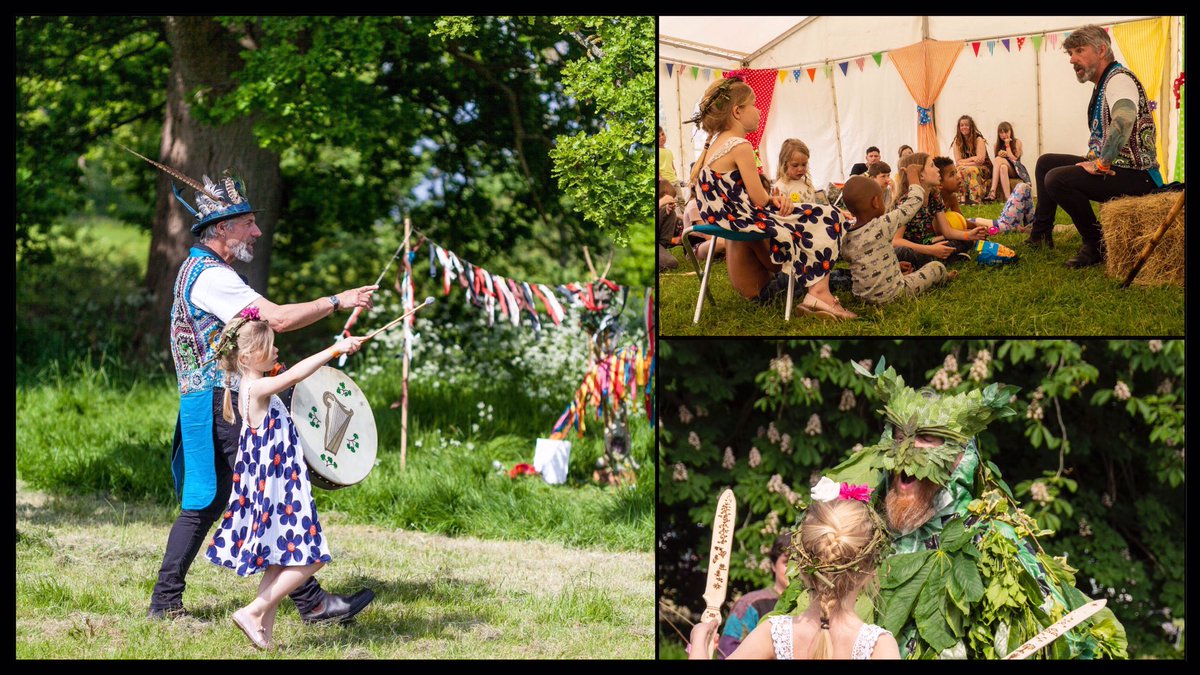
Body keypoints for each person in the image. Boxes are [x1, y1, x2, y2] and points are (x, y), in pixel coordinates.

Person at [142, 165, 377, 625]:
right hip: (222, 401)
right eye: (248, 222)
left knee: (217, 500)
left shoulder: (203, 269)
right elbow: (279, 320)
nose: (258, 229)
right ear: (223, 229)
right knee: (257, 495)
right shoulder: (211, 276)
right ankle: (308, 604)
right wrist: (337, 301)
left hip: (212, 399)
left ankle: (168, 602)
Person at [207, 310, 366, 649]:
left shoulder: (249, 388)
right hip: (279, 490)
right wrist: (335, 350)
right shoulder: (258, 388)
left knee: (279, 560)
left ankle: (263, 632)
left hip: (273, 486)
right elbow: (295, 374)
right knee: (312, 557)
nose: (277, 351)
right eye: (271, 346)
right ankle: (254, 610)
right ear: (248, 356)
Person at [686, 76, 853, 320]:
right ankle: (819, 295)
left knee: (814, 215)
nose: (759, 110)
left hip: (727, 222)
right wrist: (773, 200)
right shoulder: (739, 145)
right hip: (745, 220)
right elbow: (759, 198)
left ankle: (818, 292)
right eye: (754, 104)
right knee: (829, 215)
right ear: (737, 112)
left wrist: (773, 201)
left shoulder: (711, 150)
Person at [690, 495, 899, 660]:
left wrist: (699, 642)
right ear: (870, 571)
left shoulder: (773, 634)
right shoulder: (879, 646)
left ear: (800, 567)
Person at [1026, 24, 1163, 268]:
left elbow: (1124, 117)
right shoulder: (1104, 82)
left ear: (1102, 50)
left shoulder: (1119, 79)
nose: (1073, 60)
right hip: (1118, 168)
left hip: (1138, 175)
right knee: (1046, 162)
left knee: (1057, 179)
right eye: (1070, 54)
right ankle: (1041, 234)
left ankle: (1095, 244)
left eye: (1079, 51)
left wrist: (1101, 162)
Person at [840, 171, 954, 306]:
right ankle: (944, 277)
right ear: (876, 202)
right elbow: (913, 203)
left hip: (862, 298)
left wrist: (894, 267)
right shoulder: (882, 225)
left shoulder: (846, 237)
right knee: (936, 267)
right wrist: (913, 176)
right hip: (894, 294)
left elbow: (866, 262)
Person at [891, 152, 985, 269]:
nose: (937, 170)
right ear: (921, 176)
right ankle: (940, 259)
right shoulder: (908, 201)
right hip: (905, 250)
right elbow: (896, 242)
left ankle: (938, 260)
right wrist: (930, 250)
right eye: (932, 166)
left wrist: (968, 235)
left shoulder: (934, 196)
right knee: (903, 252)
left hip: (923, 245)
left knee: (964, 241)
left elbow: (947, 232)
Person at [716, 533, 792, 659]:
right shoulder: (750, 604)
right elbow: (727, 652)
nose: (793, 569)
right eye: (786, 562)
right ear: (773, 565)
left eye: (799, 563)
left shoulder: (814, 606)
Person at [951, 115, 992, 205]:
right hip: (967, 167)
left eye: (966, 125)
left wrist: (964, 162)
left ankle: (975, 199)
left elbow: (980, 160)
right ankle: (961, 199)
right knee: (958, 170)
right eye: (961, 125)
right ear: (959, 127)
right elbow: (958, 162)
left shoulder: (978, 139)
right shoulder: (957, 142)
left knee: (970, 169)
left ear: (971, 127)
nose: (964, 127)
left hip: (984, 168)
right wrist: (973, 159)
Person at [772, 138, 826, 206]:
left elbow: (819, 204)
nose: (800, 169)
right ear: (784, 165)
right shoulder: (780, 187)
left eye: (804, 164)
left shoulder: (807, 183)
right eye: (795, 165)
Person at [987, 121, 1027, 202]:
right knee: (1003, 167)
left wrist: (1007, 146)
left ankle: (992, 191)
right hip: (1005, 169)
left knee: (998, 159)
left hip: (1016, 169)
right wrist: (1000, 155)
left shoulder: (1017, 142)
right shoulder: (996, 145)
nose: (1004, 135)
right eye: (1001, 133)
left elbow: (1015, 159)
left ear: (1011, 131)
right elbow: (997, 164)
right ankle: (1008, 198)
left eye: (1006, 132)